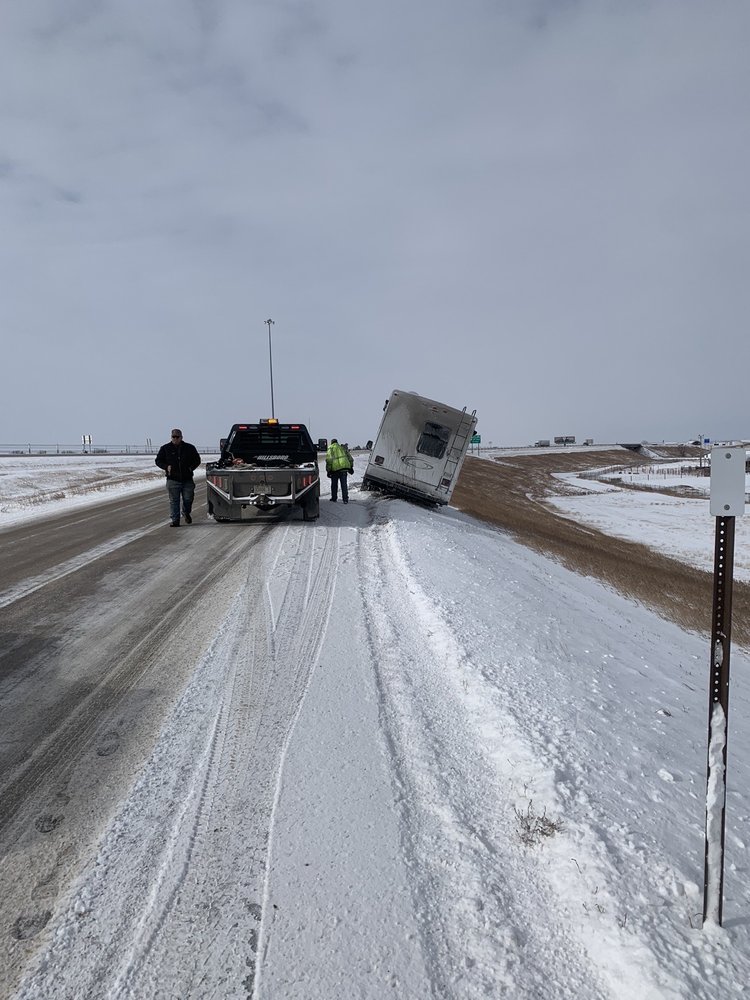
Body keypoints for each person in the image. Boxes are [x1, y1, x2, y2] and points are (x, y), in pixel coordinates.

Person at [155, 428, 201, 526]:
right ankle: (175, 520)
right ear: (171, 437)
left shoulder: (189, 448)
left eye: (177, 437)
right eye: (173, 437)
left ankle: (185, 512)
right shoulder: (165, 448)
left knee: (188, 499)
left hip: (187, 479)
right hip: (173, 480)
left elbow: (197, 460)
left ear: (181, 437)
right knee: (174, 501)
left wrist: (191, 468)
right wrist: (166, 466)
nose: (175, 438)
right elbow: (158, 460)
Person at [325, 438, 350, 503]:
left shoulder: (330, 448)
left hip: (335, 470)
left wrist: (328, 470)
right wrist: (351, 467)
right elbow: (349, 458)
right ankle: (345, 499)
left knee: (334, 485)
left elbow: (329, 460)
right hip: (344, 469)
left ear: (331, 443)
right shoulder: (342, 448)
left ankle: (334, 498)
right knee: (344, 485)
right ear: (337, 442)